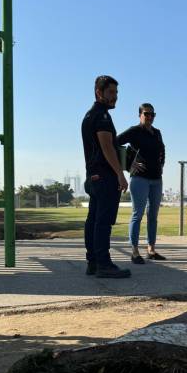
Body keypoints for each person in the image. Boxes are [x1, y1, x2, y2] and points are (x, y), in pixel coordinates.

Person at [81, 75, 131, 279]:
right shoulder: (101, 116)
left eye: (116, 93)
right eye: (111, 92)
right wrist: (120, 173)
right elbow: (107, 146)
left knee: (93, 220)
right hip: (104, 176)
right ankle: (104, 264)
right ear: (98, 93)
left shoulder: (88, 115)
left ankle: (93, 261)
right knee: (103, 221)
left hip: (93, 176)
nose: (115, 97)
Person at [117, 103, 167, 264]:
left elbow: (162, 150)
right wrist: (127, 163)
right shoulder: (134, 131)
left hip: (156, 179)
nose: (150, 117)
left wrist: (161, 165)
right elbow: (115, 143)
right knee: (137, 214)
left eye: (153, 114)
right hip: (139, 179)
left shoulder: (157, 133)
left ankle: (151, 249)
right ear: (140, 115)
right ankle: (134, 251)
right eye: (147, 114)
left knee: (153, 216)